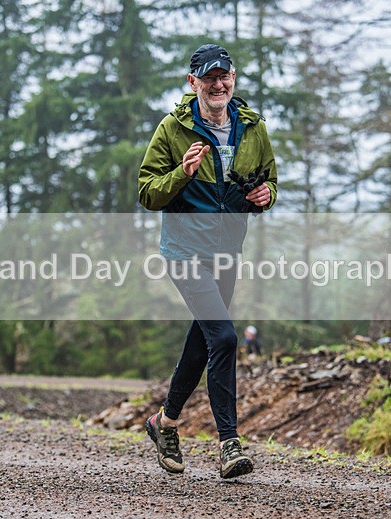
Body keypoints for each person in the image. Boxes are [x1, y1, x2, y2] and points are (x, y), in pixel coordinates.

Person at [138, 43, 278, 479]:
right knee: (226, 336)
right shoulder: (172, 129)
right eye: (208, 78)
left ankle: (164, 424)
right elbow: (147, 192)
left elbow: (269, 180)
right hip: (183, 252)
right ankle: (229, 444)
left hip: (227, 252)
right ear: (192, 82)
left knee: (204, 340)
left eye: (225, 77)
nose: (218, 85)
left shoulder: (251, 127)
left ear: (233, 79)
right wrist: (182, 172)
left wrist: (265, 196)